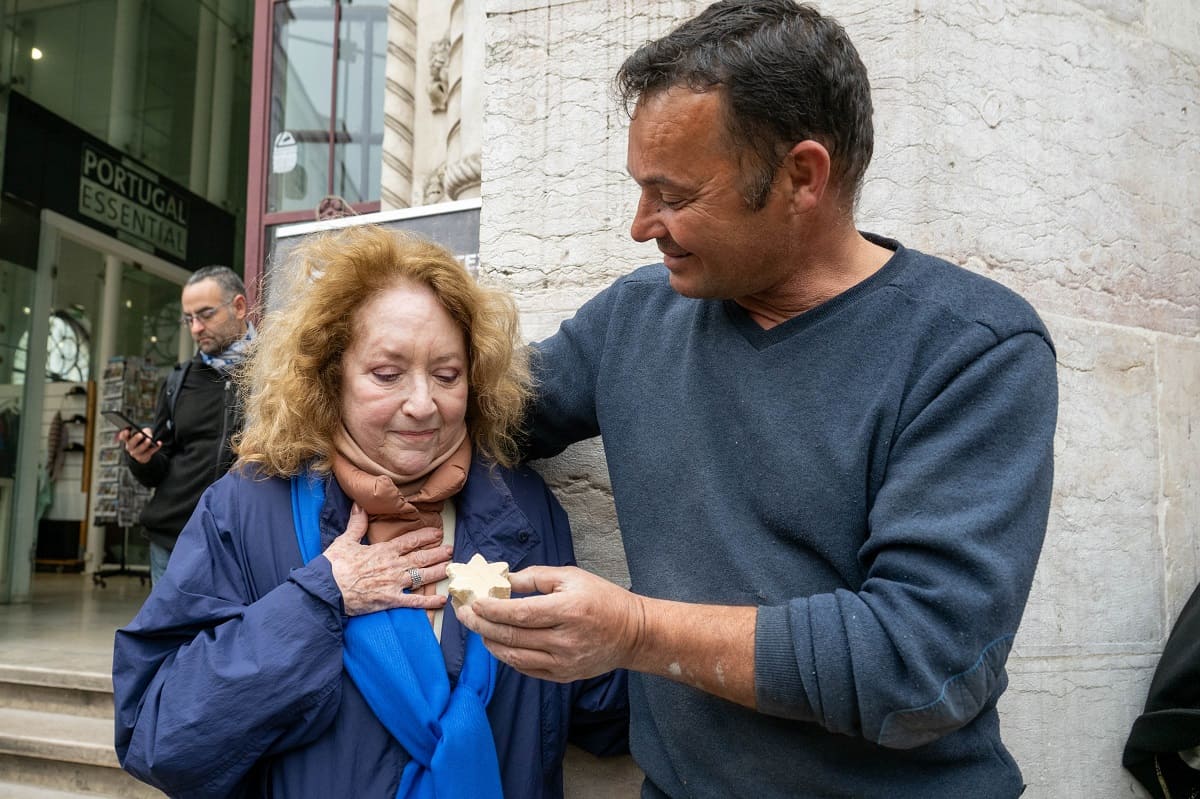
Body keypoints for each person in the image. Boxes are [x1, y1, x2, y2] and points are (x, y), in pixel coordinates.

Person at [454, 2, 1059, 797]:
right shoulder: (636, 319)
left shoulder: (972, 350)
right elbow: (477, 410)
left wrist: (634, 631)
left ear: (802, 177)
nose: (643, 226)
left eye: (672, 195)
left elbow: (922, 666)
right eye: (641, 190)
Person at [111, 226, 628, 798]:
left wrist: (636, 635)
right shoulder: (247, 507)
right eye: (387, 374)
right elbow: (157, 736)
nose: (423, 403)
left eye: (447, 374)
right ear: (332, 377)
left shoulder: (526, 509)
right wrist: (319, 601)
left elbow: (585, 709)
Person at [118, 265, 252, 583]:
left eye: (205, 315)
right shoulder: (179, 380)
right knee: (171, 634)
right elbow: (159, 469)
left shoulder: (276, 373)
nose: (195, 328)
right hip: (174, 538)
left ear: (239, 307)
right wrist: (142, 457)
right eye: (188, 318)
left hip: (244, 541)